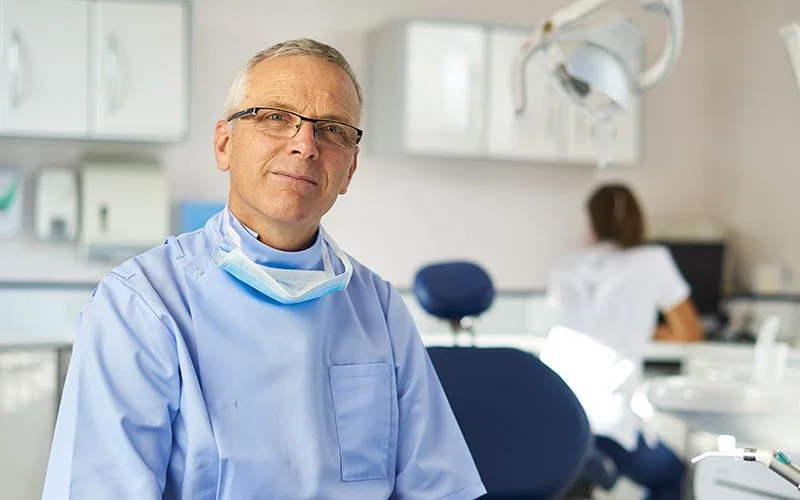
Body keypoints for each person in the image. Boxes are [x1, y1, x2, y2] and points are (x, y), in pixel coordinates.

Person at [41, 39, 486, 500]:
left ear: (350, 168)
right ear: (224, 144)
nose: (305, 145)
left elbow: (439, 489)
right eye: (275, 117)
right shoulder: (141, 305)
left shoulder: (377, 307)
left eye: (332, 129)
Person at [539, 183, 703, 500]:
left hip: (554, 414)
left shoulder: (568, 264)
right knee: (674, 474)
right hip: (604, 423)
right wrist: (646, 329)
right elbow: (689, 332)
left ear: (592, 221)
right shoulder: (653, 260)